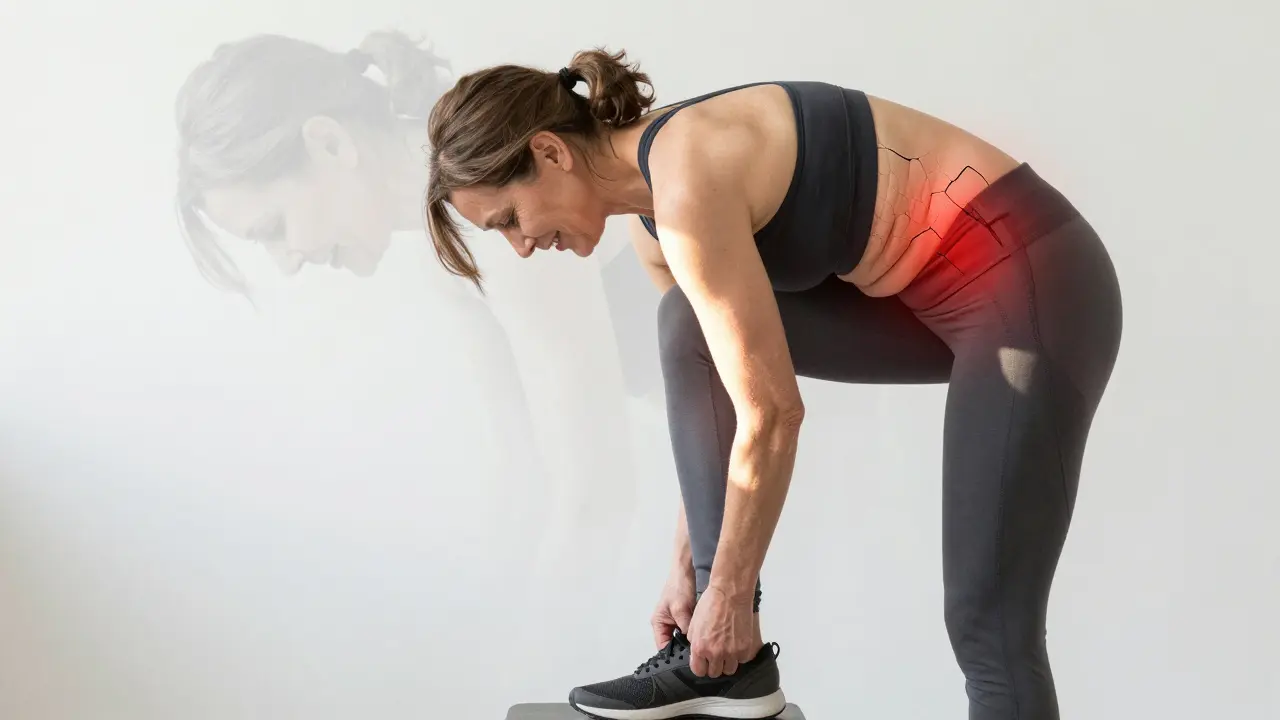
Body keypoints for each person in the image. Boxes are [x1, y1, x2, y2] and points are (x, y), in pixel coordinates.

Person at [422, 47, 1124, 720]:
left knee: (990, 623)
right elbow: (721, 405)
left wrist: (731, 593)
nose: (520, 244)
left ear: (549, 152)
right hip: (921, 306)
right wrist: (693, 579)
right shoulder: (654, 228)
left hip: (1032, 282)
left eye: (510, 217)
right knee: (686, 324)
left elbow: (773, 412)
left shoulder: (689, 173)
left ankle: (730, 651)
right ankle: (727, 666)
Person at [171, 32, 651, 618]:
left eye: (274, 226)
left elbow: (598, 492)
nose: (288, 260)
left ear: (327, 143)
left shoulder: (495, 223)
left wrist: (526, 674)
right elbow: (523, 475)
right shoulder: (447, 237)